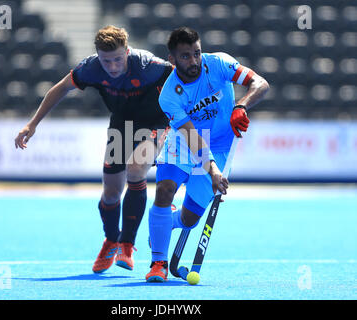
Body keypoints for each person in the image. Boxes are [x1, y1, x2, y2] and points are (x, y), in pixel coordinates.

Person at [15, 25, 173, 273]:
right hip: (121, 124)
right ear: (98, 56)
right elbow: (59, 89)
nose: (112, 67)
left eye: (118, 59)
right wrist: (32, 124)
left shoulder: (147, 65)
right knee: (111, 193)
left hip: (154, 122)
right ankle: (111, 239)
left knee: (136, 169)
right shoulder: (90, 68)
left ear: (127, 51)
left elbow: (184, 78)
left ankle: (127, 245)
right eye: (106, 60)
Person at [145, 27, 269, 282]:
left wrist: (241, 105)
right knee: (164, 189)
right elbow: (191, 136)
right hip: (183, 141)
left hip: (223, 144)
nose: (194, 61)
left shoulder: (220, 63)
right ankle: (158, 262)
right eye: (185, 56)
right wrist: (213, 170)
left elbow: (261, 83)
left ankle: (165, 224)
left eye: (197, 53)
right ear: (172, 60)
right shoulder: (169, 95)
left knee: (190, 219)